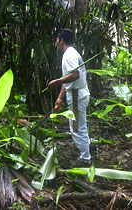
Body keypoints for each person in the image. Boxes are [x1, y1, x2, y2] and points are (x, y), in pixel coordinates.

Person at [48, 28, 91, 165]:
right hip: (77, 93)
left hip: (77, 95)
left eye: (57, 40)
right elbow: (68, 78)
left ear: (61, 40)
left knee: (77, 128)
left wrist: (57, 81)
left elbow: (75, 75)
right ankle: (86, 151)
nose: (56, 43)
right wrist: (60, 98)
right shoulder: (71, 53)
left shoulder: (69, 55)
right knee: (79, 125)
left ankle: (85, 159)